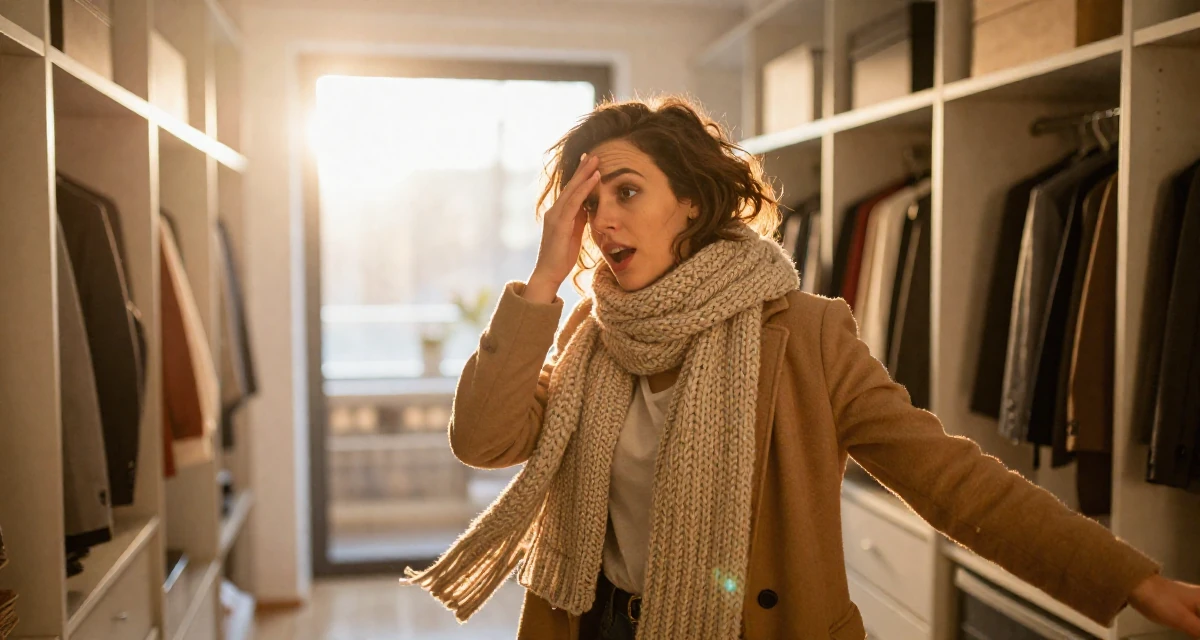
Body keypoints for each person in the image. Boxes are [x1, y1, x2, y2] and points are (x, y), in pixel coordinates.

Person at [403, 96, 1200, 640]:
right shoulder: (583, 331)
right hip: (593, 620)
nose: (601, 218)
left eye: (626, 190)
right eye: (585, 204)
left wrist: (1133, 583)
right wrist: (541, 282)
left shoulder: (805, 335)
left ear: (690, 200)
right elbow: (483, 440)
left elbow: (952, 480)